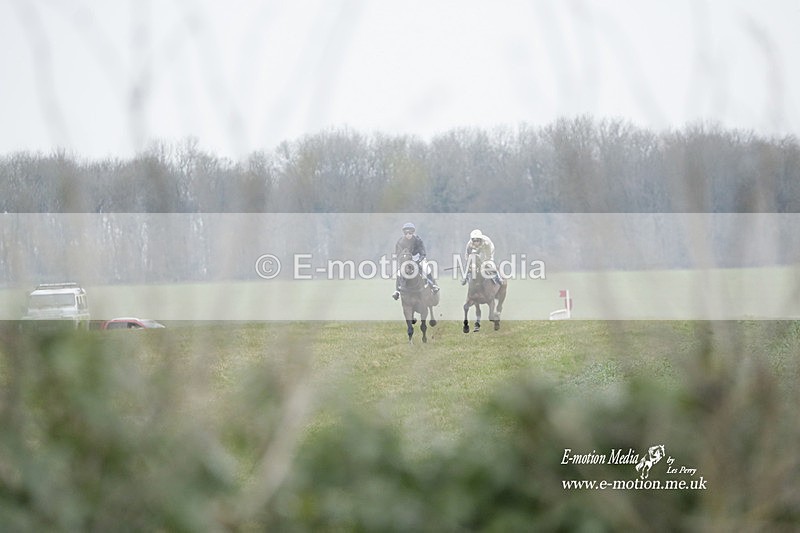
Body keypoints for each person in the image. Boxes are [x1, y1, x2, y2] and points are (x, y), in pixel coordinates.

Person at [392, 222, 438, 300]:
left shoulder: (418, 240)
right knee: (399, 272)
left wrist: (419, 260)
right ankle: (397, 291)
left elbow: (423, 252)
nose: (408, 235)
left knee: (426, 268)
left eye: (410, 233)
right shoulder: (400, 241)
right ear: (404, 233)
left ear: (413, 232)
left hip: (417, 257)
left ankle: (432, 286)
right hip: (406, 260)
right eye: (406, 233)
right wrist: (402, 261)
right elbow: (398, 254)